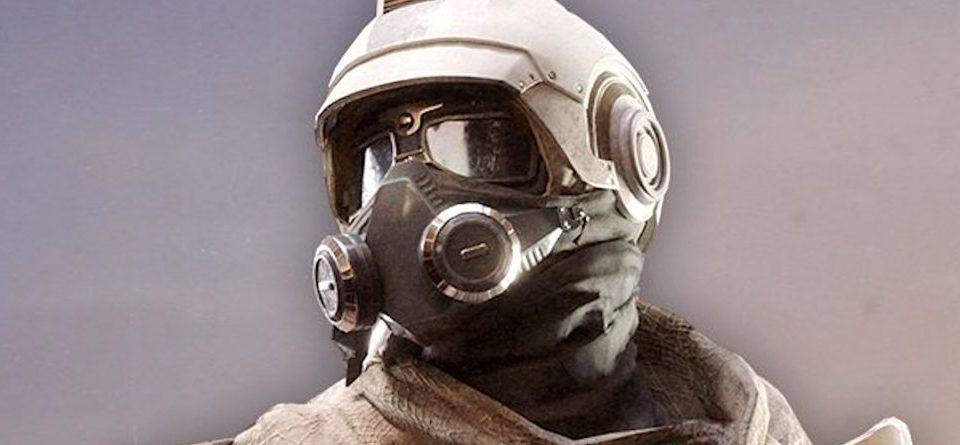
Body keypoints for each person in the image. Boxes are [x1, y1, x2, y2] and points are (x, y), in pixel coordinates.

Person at [216, 1, 911, 443]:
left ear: (621, 154)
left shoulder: (758, 428)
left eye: (472, 144)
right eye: (376, 162)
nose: (402, 198)